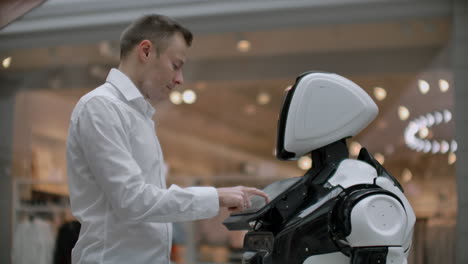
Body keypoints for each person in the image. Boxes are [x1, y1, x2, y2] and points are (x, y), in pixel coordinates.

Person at [66, 14, 269, 264]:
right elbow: (132, 200)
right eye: (176, 65)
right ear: (146, 51)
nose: (180, 79)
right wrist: (215, 197)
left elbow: (143, 209)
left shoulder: (136, 115)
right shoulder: (101, 107)